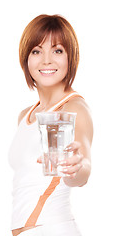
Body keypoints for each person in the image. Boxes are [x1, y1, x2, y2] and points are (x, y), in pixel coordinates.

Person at [8, 14, 93, 236]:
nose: (46, 60)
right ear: (26, 58)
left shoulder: (73, 109)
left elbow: (82, 169)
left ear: (70, 57)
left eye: (57, 50)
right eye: (37, 51)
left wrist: (76, 167)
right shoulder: (26, 115)